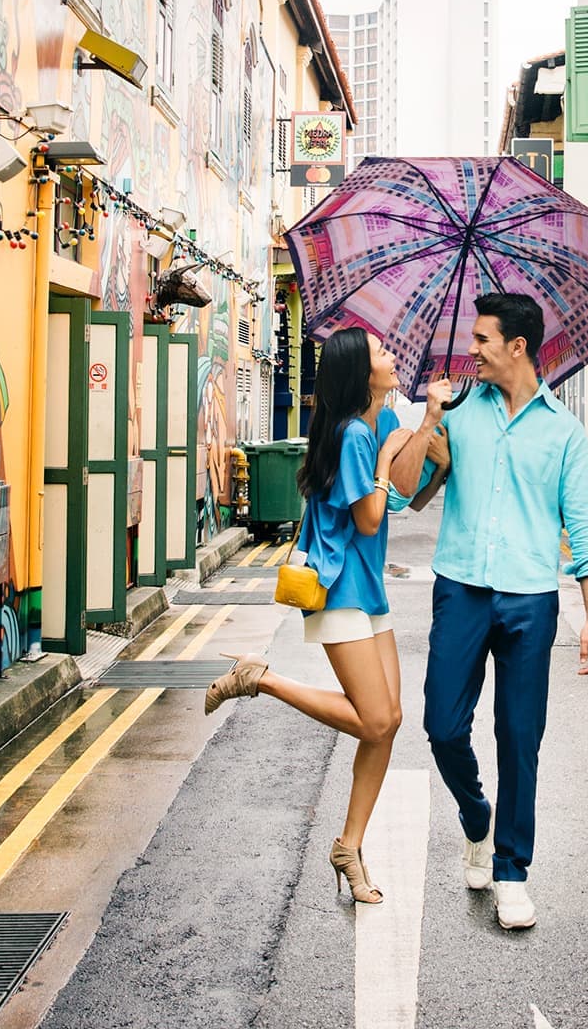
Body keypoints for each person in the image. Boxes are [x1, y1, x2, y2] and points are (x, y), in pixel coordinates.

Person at [383, 291, 588, 931]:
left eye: (483, 340)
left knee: (520, 737)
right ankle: (476, 816)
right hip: (460, 589)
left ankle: (511, 868)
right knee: (443, 725)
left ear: (518, 347)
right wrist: (429, 421)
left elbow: (585, 530)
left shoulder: (563, 432)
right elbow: (406, 498)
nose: (471, 350)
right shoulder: (458, 413)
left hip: (531, 598)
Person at [202, 327, 441, 904]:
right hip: (338, 591)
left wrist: (430, 430)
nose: (392, 357)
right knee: (376, 721)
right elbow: (369, 518)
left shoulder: (375, 422)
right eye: (383, 352)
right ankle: (262, 678)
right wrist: (388, 457)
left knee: (390, 721)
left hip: (367, 591)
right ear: (362, 372)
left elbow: (410, 498)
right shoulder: (356, 435)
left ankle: (349, 846)